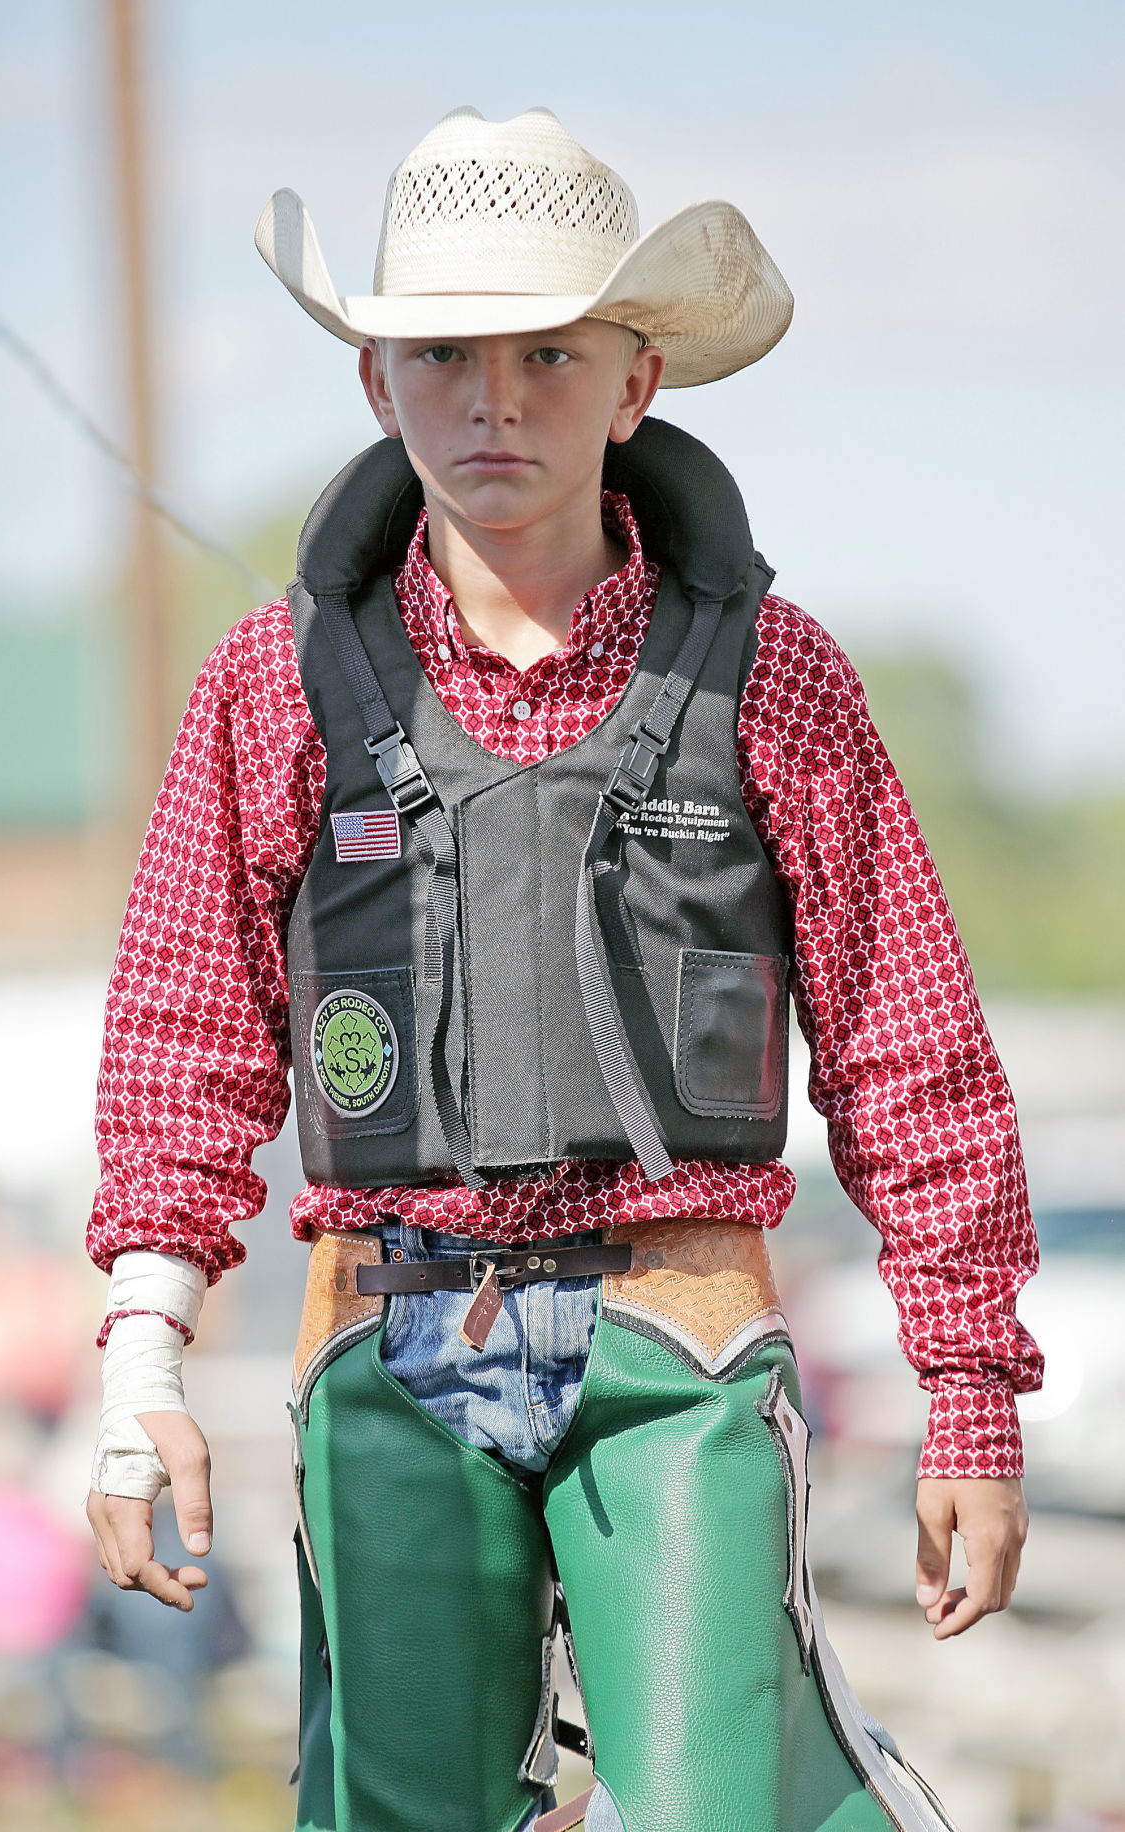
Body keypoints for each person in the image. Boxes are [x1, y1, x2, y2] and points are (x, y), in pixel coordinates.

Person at [85, 107, 1041, 1832]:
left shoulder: (777, 678)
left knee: (715, 1809)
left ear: (637, 379)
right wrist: (144, 1370)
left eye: (549, 352)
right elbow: (181, 1030)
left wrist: (968, 1391)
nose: (494, 399)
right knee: (391, 1812)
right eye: (442, 352)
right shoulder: (272, 682)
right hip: (385, 1319)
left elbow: (912, 1040)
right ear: (378, 382)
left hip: (672, 1322)